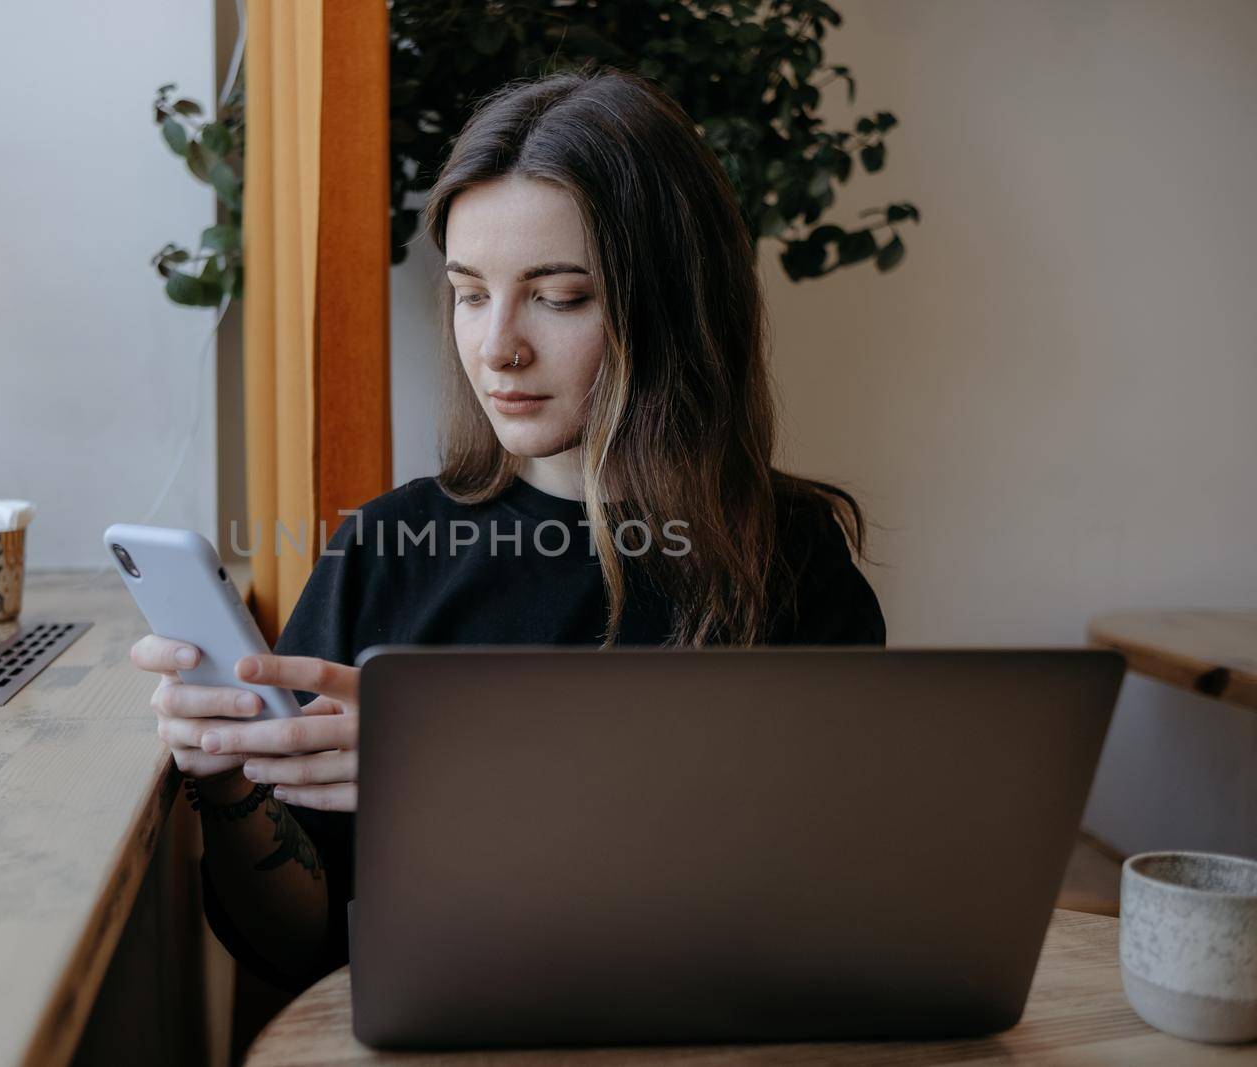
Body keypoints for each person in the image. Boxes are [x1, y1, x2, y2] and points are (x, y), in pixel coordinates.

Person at [130, 68, 885, 991]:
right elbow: (299, 949)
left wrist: (459, 777)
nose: (498, 347)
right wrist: (229, 785)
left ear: (675, 307)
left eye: (559, 295)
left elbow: (808, 909)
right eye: (469, 292)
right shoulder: (384, 551)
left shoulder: (791, 561)